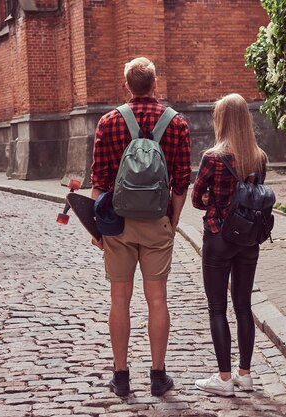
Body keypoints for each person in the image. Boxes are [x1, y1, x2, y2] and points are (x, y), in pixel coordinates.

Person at [90, 57, 191, 397]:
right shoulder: (176, 123)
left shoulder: (108, 122)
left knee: (119, 299)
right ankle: (158, 376)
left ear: (127, 86)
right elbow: (181, 182)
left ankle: (120, 376)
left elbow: (99, 181)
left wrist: (96, 227)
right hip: (157, 222)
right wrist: (172, 221)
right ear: (155, 83)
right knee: (157, 298)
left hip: (117, 224)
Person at [191, 93, 268, 396]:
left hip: (219, 236)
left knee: (217, 309)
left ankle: (224, 379)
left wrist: (211, 198)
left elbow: (197, 199)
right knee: (244, 306)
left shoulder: (213, 156)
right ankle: (245, 375)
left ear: (221, 120)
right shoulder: (259, 157)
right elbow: (254, 195)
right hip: (249, 239)